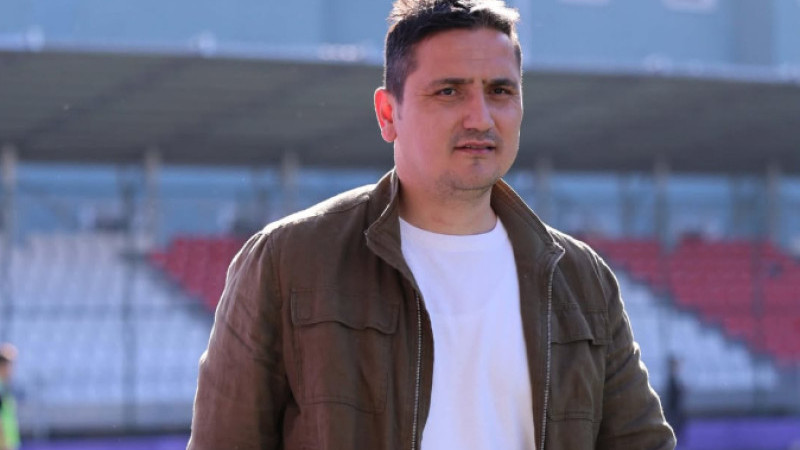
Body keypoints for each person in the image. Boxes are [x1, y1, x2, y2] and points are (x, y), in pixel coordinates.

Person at [188, 0, 676, 448]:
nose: (480, 118)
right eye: (449, 91)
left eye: (500, 91)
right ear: (388, 114)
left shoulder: (581, 278)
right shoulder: (288, 262)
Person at [0, 344, 20, 450]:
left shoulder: (5, 387)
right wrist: (4, 443)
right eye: (10, 365)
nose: (12, 369)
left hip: (9, 442)